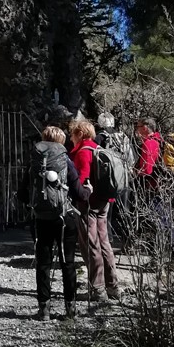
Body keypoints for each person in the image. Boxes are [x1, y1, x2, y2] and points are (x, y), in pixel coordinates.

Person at [20, 125, 91, 321]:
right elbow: (78, 192)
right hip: (65, 217)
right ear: (61, 142)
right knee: (68, 263)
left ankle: (44, 310)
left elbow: (22, 193)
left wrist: (35, 203)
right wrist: (88, 191)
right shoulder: (65, 161)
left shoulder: (34, 163)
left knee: (43, 263)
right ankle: (71, 310)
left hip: (41, 218)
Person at [69, 119, 120, 302]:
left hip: (88, 204)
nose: (71, 137)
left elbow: (81, 181)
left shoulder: (83, 152)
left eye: (73, 134)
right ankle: (112, 286)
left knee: (91, 244)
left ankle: (97, 289)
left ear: (80, 134)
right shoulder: (98, 149)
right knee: (104, 242)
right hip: (104, 201)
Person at [133, 117, 174, 256]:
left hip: (155, 187)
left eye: (138, 126)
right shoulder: (160, 140)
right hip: (167, 186)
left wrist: (135, 172)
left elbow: (147, 170)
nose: (136, 129)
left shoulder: (149, 143)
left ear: (145, 128)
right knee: (168, 219)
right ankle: (173, 254)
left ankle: (161, 256)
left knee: (159, 222)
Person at [95, 112, 135, 251]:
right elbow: (131, 158)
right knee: (125, 210)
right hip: (124, 178)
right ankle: (128, 241)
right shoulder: (123, 137)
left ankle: (108, 241)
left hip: (108, 180)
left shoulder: (99, 138)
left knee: (107, 212)